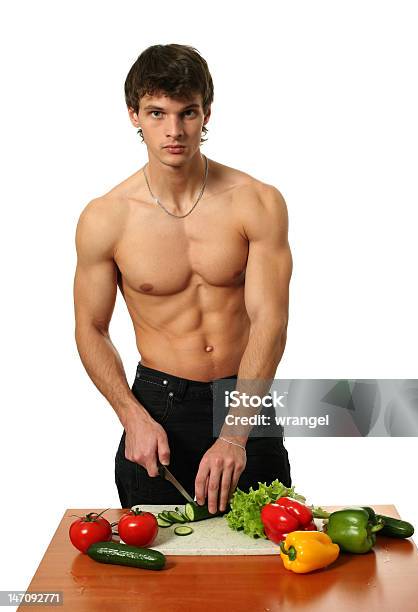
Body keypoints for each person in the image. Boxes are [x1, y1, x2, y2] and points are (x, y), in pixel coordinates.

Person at [73, 43, 293, 513]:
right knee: (160, 572)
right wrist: (131, 416)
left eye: (187, 113)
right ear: (133, 114)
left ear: (206, 111)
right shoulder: (106, 218)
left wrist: (235, 434)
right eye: (157, 113)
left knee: (265, 567)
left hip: (244, 400)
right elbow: (90, 328)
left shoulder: (256, 202)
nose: (174, 131)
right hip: (158, 405)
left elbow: (270, 319)